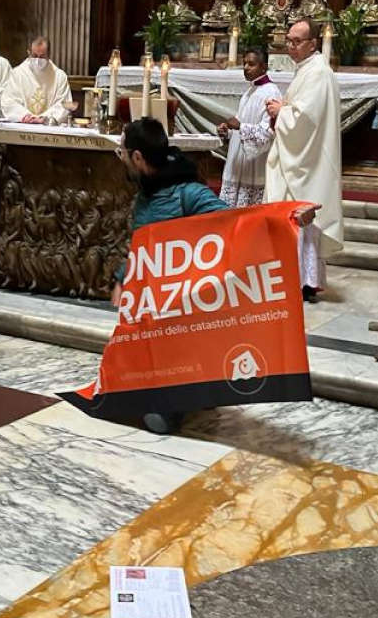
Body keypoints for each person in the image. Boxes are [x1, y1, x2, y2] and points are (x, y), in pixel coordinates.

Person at [110, 118, 317, 433]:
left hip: (184, 304)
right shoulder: (146, 195)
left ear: (138, 158)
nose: (120, 158)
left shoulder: (187, 193)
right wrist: (123, 277)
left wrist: (286, 217)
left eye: (122, 153)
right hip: (155, 303)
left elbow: (235, 223)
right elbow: (144, 247)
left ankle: (177, 400)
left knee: (161, 404)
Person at [264, 19, 343, 303]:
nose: (290, 46)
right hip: (301, 158)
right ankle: (297, 279)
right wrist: (283, 110)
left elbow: (304, 121)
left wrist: (280, 111)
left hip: (306, 161)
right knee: (295, 218)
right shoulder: (308, 71)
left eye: (297, 41)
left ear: (312, 44)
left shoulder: (318, 73)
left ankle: (302, 282)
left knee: (301, 218)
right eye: (288, 40)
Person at [217, 48, 280, 209]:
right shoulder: (250, 91)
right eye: (244, 63)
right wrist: (228, 132)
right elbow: (241, 124)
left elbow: (268, 133)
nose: (245, 67)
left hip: (255, 164)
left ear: (264, 67)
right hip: (238, 163)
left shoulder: (271, 92)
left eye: (251, 64)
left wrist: (240, 126)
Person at [1, 36, 73, 125]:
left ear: (49, 54)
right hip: (23, 125)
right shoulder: (17, 74)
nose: (38, 60)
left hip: (49, 128)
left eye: (42, 56)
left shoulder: (59, 76)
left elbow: (64, 105)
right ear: (28, 53)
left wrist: (44, 118)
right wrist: (26, 116)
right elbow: (8, 101)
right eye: (34, 56)